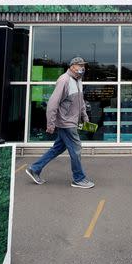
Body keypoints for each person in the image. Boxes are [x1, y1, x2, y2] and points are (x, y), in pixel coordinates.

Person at [26, 57, 94, 189]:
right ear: (72, 66)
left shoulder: (78, 80)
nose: (82, 68)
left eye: (83, 65)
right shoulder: (64, 80)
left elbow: (80, 102)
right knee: (76, 149)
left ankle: (35, 168)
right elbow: (52, 103)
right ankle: (78, 179)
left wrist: (85, 117)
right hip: (66, 122)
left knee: (57, 148)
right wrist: (50, 124)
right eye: (80, 65)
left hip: (72, 121)